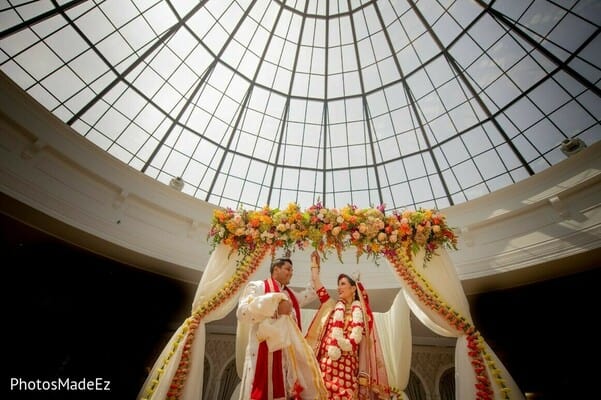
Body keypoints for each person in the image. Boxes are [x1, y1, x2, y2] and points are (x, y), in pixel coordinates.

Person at [236, 253, 328, 400]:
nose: (291, 273)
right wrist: (274, 307)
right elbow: (242, 313)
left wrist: (315, 268)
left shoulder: (290, 296)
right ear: (276, 269)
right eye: (288, 269)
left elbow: (311, 293)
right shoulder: (258, 286)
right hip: (261, 353)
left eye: (292, 270)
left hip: (286, 357)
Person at [305, 252, 392, 399]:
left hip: (348, 367)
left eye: (343, 284)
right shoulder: (331, 306)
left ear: (353, 289)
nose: (339, 288)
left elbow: (364, 345)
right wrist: (315, 265)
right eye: (338, 285)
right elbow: (316, 282)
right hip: (327, 363)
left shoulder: (362, 315)